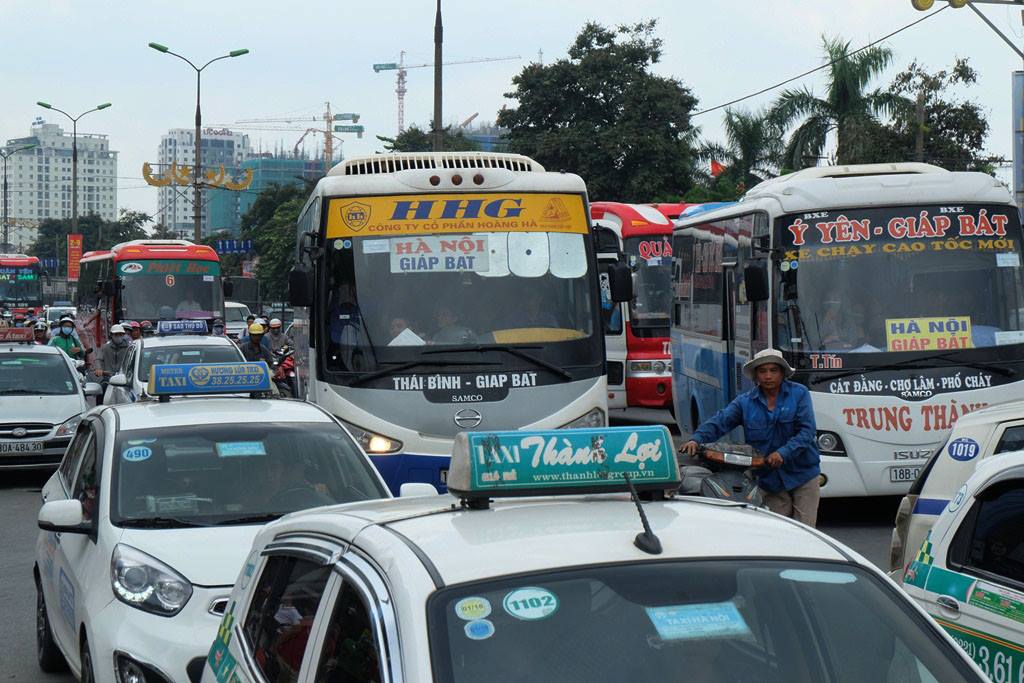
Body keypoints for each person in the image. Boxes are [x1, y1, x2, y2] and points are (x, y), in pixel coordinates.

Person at [680, 348, 821, 526]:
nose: (768, 376)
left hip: (803, 473)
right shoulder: (745, 402)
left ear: (782, 373)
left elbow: (807, 432)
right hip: (769, 477)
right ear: (756, 376)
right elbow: (720, 421)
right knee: (777, 529)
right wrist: (696, 439)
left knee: (806, 528)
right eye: (762, 371)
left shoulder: (799, 393)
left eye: (773, 371)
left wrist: (783, 453)